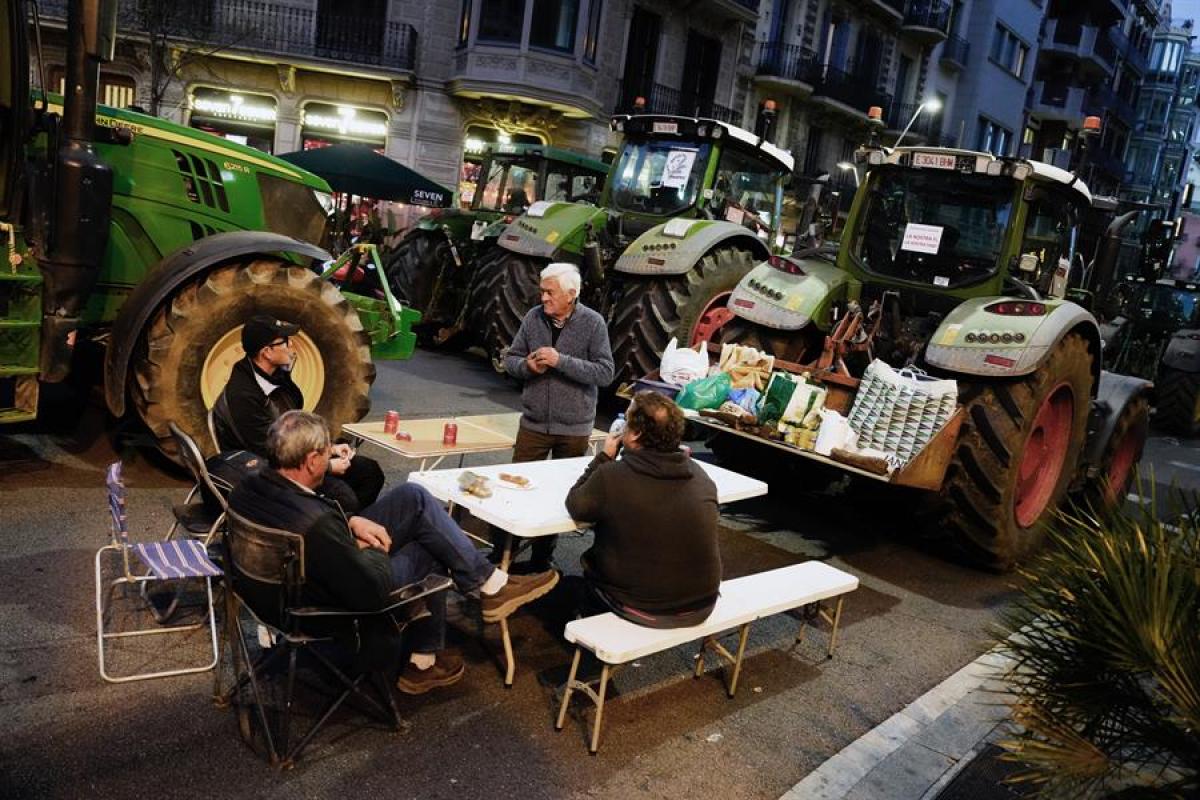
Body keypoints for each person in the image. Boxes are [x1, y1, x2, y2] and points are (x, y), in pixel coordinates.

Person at [228, 410, 560, 694]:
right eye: (326, 453)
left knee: (413, 496)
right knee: (431, 546)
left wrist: (351, 521)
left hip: (273, 593)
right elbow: (369, 591)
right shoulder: (315, 523)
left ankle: (488, 583)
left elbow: (313, 516)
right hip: (321, 606)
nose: (329, 458)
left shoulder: (249, 486)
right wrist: (365, 548)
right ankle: (424, 660)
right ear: (312, 460)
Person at [565, 391, 721, 628]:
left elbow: (576, 505)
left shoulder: (613, 476)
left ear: (636, 433)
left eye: (627, 421)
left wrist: (605, 457)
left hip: (644, 607)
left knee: (564, 591)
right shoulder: (700, 475)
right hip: (702, 604)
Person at [212, 314, 384, 512]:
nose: (291, 345)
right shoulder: (243, 396)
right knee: (343, 497)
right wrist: (326, 465)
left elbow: (295, 426)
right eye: (284, 341)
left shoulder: (274, 376)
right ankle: (325, 525)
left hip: (292, 453)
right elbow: (272, 456)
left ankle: (346, 524)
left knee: (370, 471)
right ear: (267, 352)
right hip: (265, 473)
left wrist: (329, 449)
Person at [503, 263, 614, 571]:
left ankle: (542, 559)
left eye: (549, 292)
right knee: (515, 491)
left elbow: (605, 373)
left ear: (571, 294)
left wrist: (559, 361)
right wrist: (526, 366)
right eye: (542, 291)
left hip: (574, 429)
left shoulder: (593, 323)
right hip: (534, 425)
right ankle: (503, 553)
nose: (543, 298)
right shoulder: (532, 318)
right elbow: (511, 360)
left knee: (559, 497)